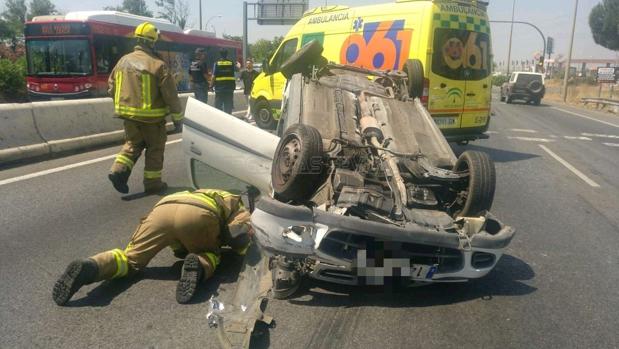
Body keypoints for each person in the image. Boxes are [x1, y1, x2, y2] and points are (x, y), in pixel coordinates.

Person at [52, 189, 253, 306]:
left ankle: (92, 266)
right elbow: (240, 236)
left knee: (129, 258)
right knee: (208, 252)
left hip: (162, 209)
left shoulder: (201, 191)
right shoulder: (236, 202)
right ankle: (198, 264)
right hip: (199, 215)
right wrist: (241, 251)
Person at [107, 22, 183, 195]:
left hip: (128, 116)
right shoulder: (157, 65)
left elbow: (110, 87)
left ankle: (118, 170)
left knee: (132, 144)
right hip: (152, 119)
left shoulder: (122, 61)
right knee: (155, 149)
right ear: (152, 42)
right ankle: (152, 184)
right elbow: (170, 96)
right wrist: (178, 119)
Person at [212, 49, 236, 114]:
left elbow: (213, 76)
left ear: (220, 54)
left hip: (219, 89)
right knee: (228, 106)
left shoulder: (217, 63)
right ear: (227, 54)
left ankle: (220, 120)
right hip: (229, 88)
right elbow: (235, 74)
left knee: (218, 106)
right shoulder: (231, 63)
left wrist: (211, 85)